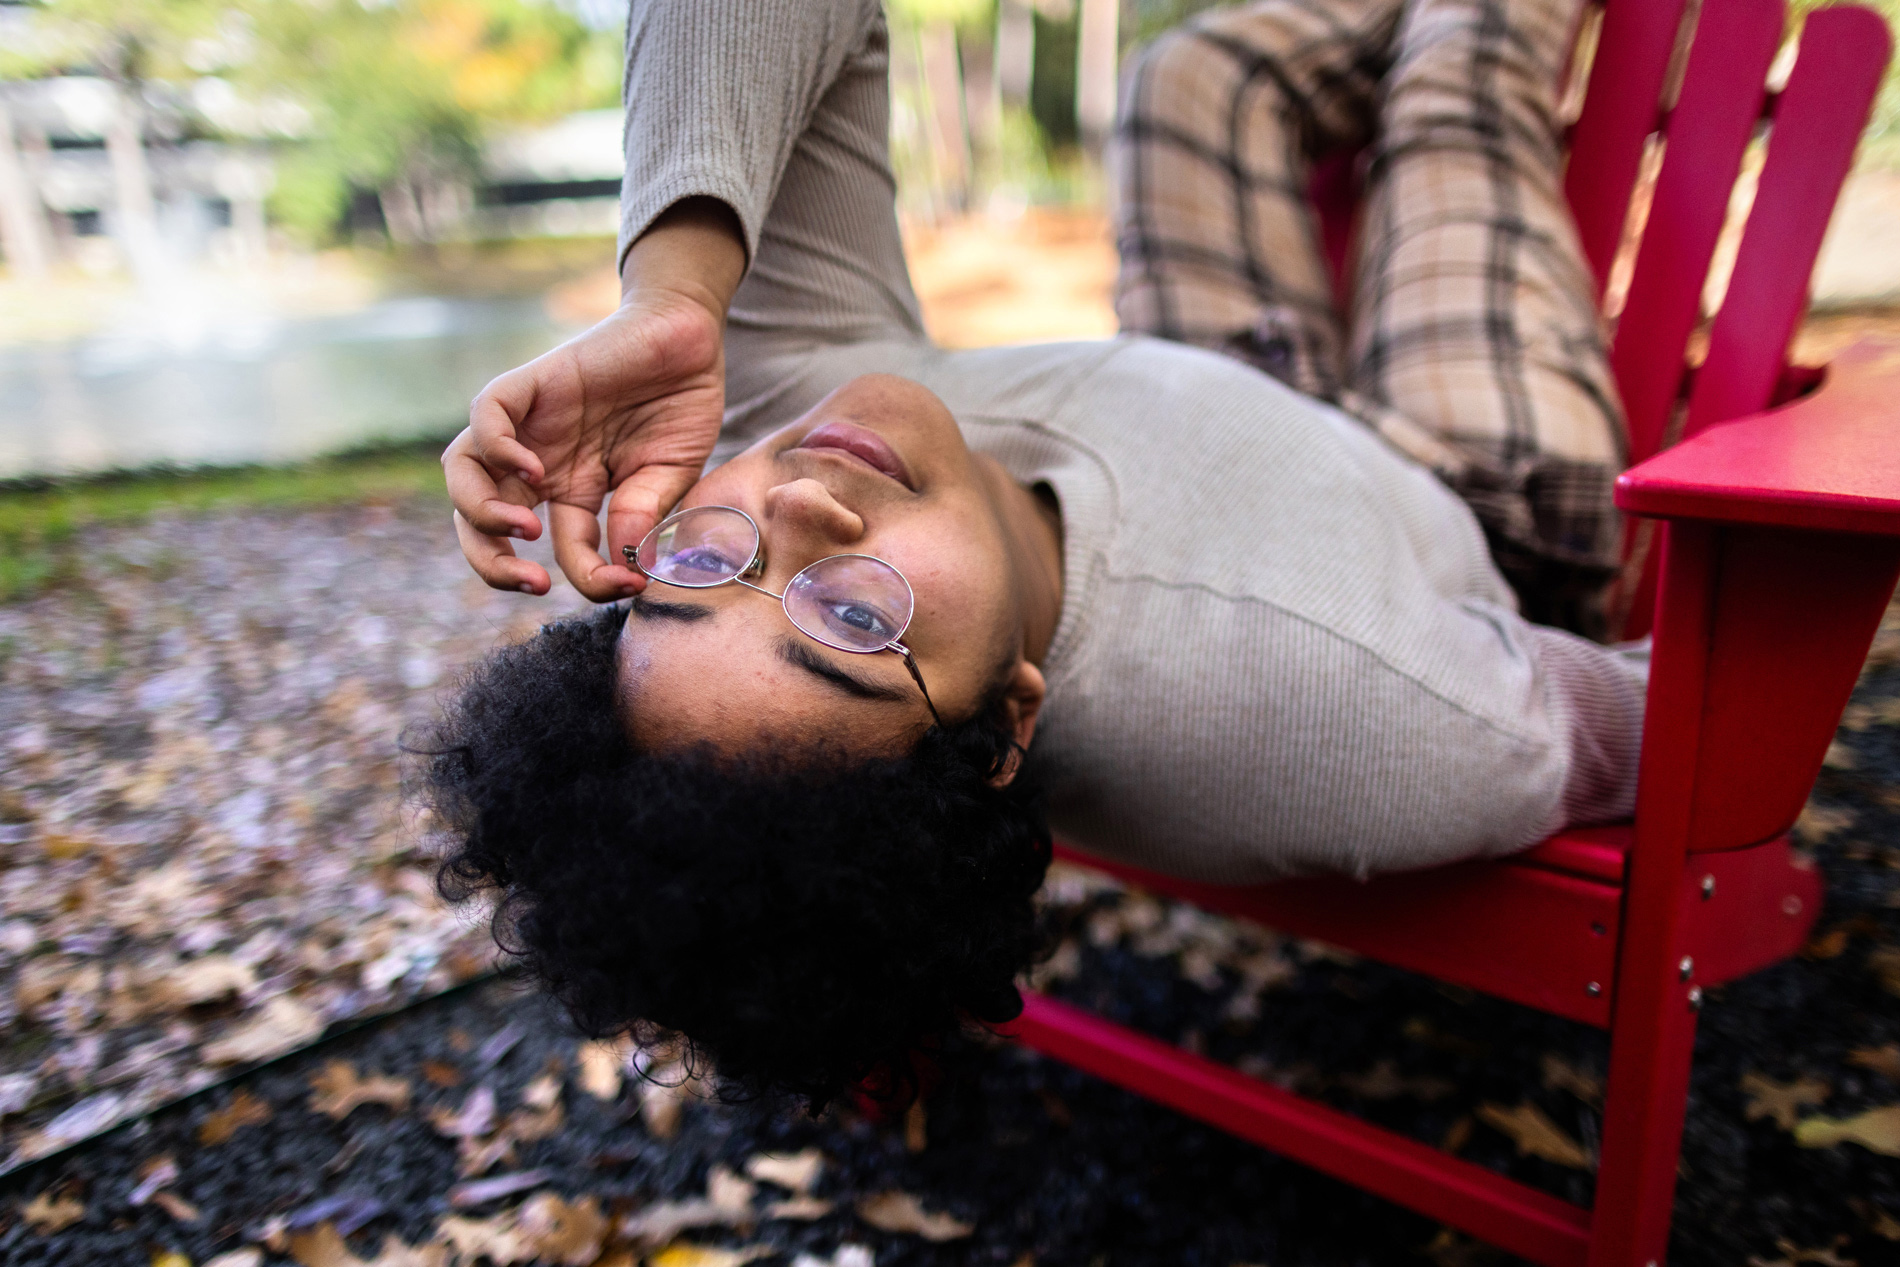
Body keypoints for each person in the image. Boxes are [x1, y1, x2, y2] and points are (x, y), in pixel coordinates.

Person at [417, 0, 1649, 1107]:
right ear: (1009, 722)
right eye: (851, 621)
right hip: (1461, 500)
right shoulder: (1361, 698)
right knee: (1458, 75)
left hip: (1243, 400)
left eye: (696, 574)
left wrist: (669, 295)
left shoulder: (791, 416)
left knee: (1190, 83)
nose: (799, 514)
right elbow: (1662, 726)